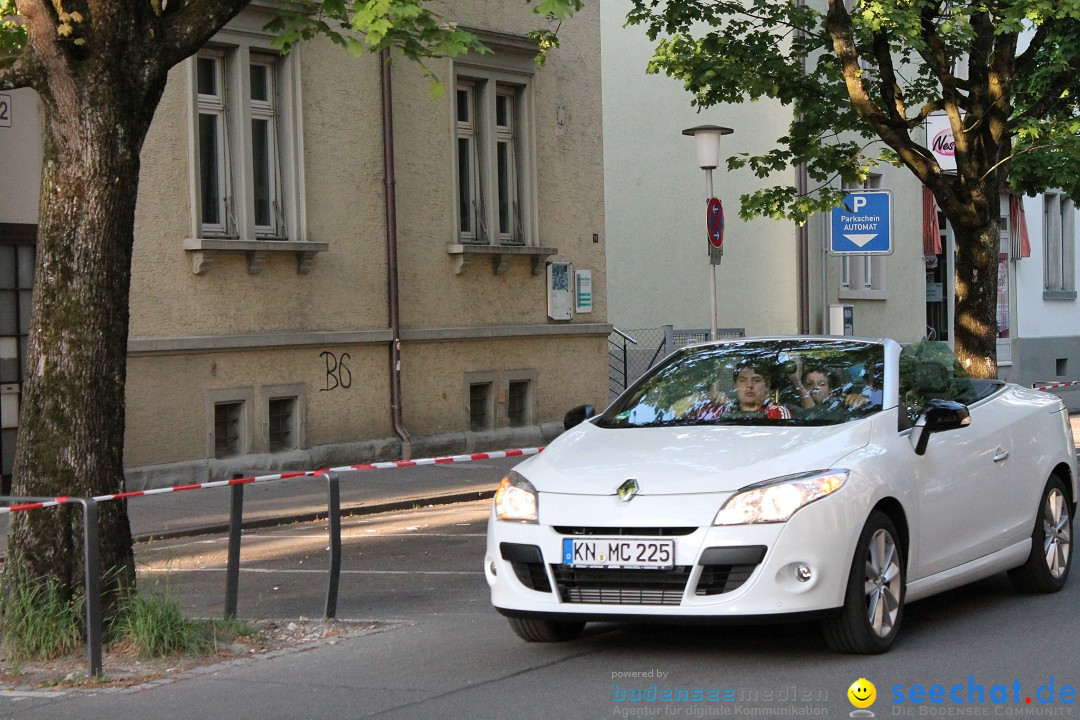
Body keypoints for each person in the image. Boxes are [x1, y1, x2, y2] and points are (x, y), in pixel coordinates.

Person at [691, 362, 792, 420]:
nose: (749, 386)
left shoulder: (776, 412)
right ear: (735, 385)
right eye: (743, 380)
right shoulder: (718, 410)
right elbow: (680, 416)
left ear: (767, 385)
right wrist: (707, 397)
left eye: (756, 380)